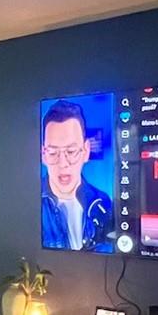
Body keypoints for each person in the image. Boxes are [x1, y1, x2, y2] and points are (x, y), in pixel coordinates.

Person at [40, 99, 113, 251]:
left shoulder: (103, 204)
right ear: (43, 155)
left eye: (71, 151)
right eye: (53, 152)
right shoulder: (30, 202)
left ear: (85, 151)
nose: (63, 163)